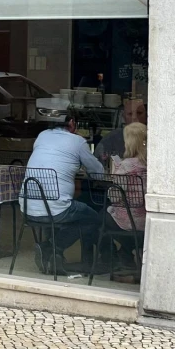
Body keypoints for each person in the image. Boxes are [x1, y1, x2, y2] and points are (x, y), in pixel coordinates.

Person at [21, 116, 106, 275]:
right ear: (72, 123)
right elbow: (98, 173)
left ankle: (53, 252)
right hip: (56, 209)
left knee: (77, 216)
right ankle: (53, 247)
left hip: (28, 207)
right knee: (92, 218)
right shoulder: (78, 141)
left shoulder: (42, 136)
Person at [103, 123, 147, 265]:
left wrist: (114, 176)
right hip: (146, 220)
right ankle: (126, 253)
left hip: (128, 221)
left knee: (97, 219)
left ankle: (109, 257)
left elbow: (115, 198)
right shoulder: (151, 164)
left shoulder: (125, 166)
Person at [94, 101, 147, 165]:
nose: (134, 117)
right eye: (130, 114)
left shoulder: (156, 137)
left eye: (139, 113)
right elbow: (97, 167)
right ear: (123, 117)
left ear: (146, 115)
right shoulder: (110, 139)